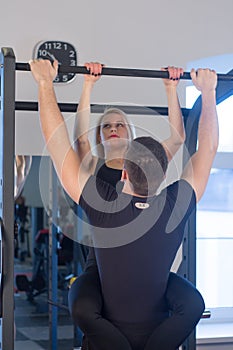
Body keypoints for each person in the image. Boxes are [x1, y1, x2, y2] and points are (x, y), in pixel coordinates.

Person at [29, 59, 218, 350]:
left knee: (187, 302)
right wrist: (208, 92)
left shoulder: (103, 201)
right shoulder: (175, 203)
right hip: (109, 258)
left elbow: (57, 144)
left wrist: (44, 83)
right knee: (87, 302)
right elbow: (208, 147)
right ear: (163, 172)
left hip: (114, 248)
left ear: (124, 173)